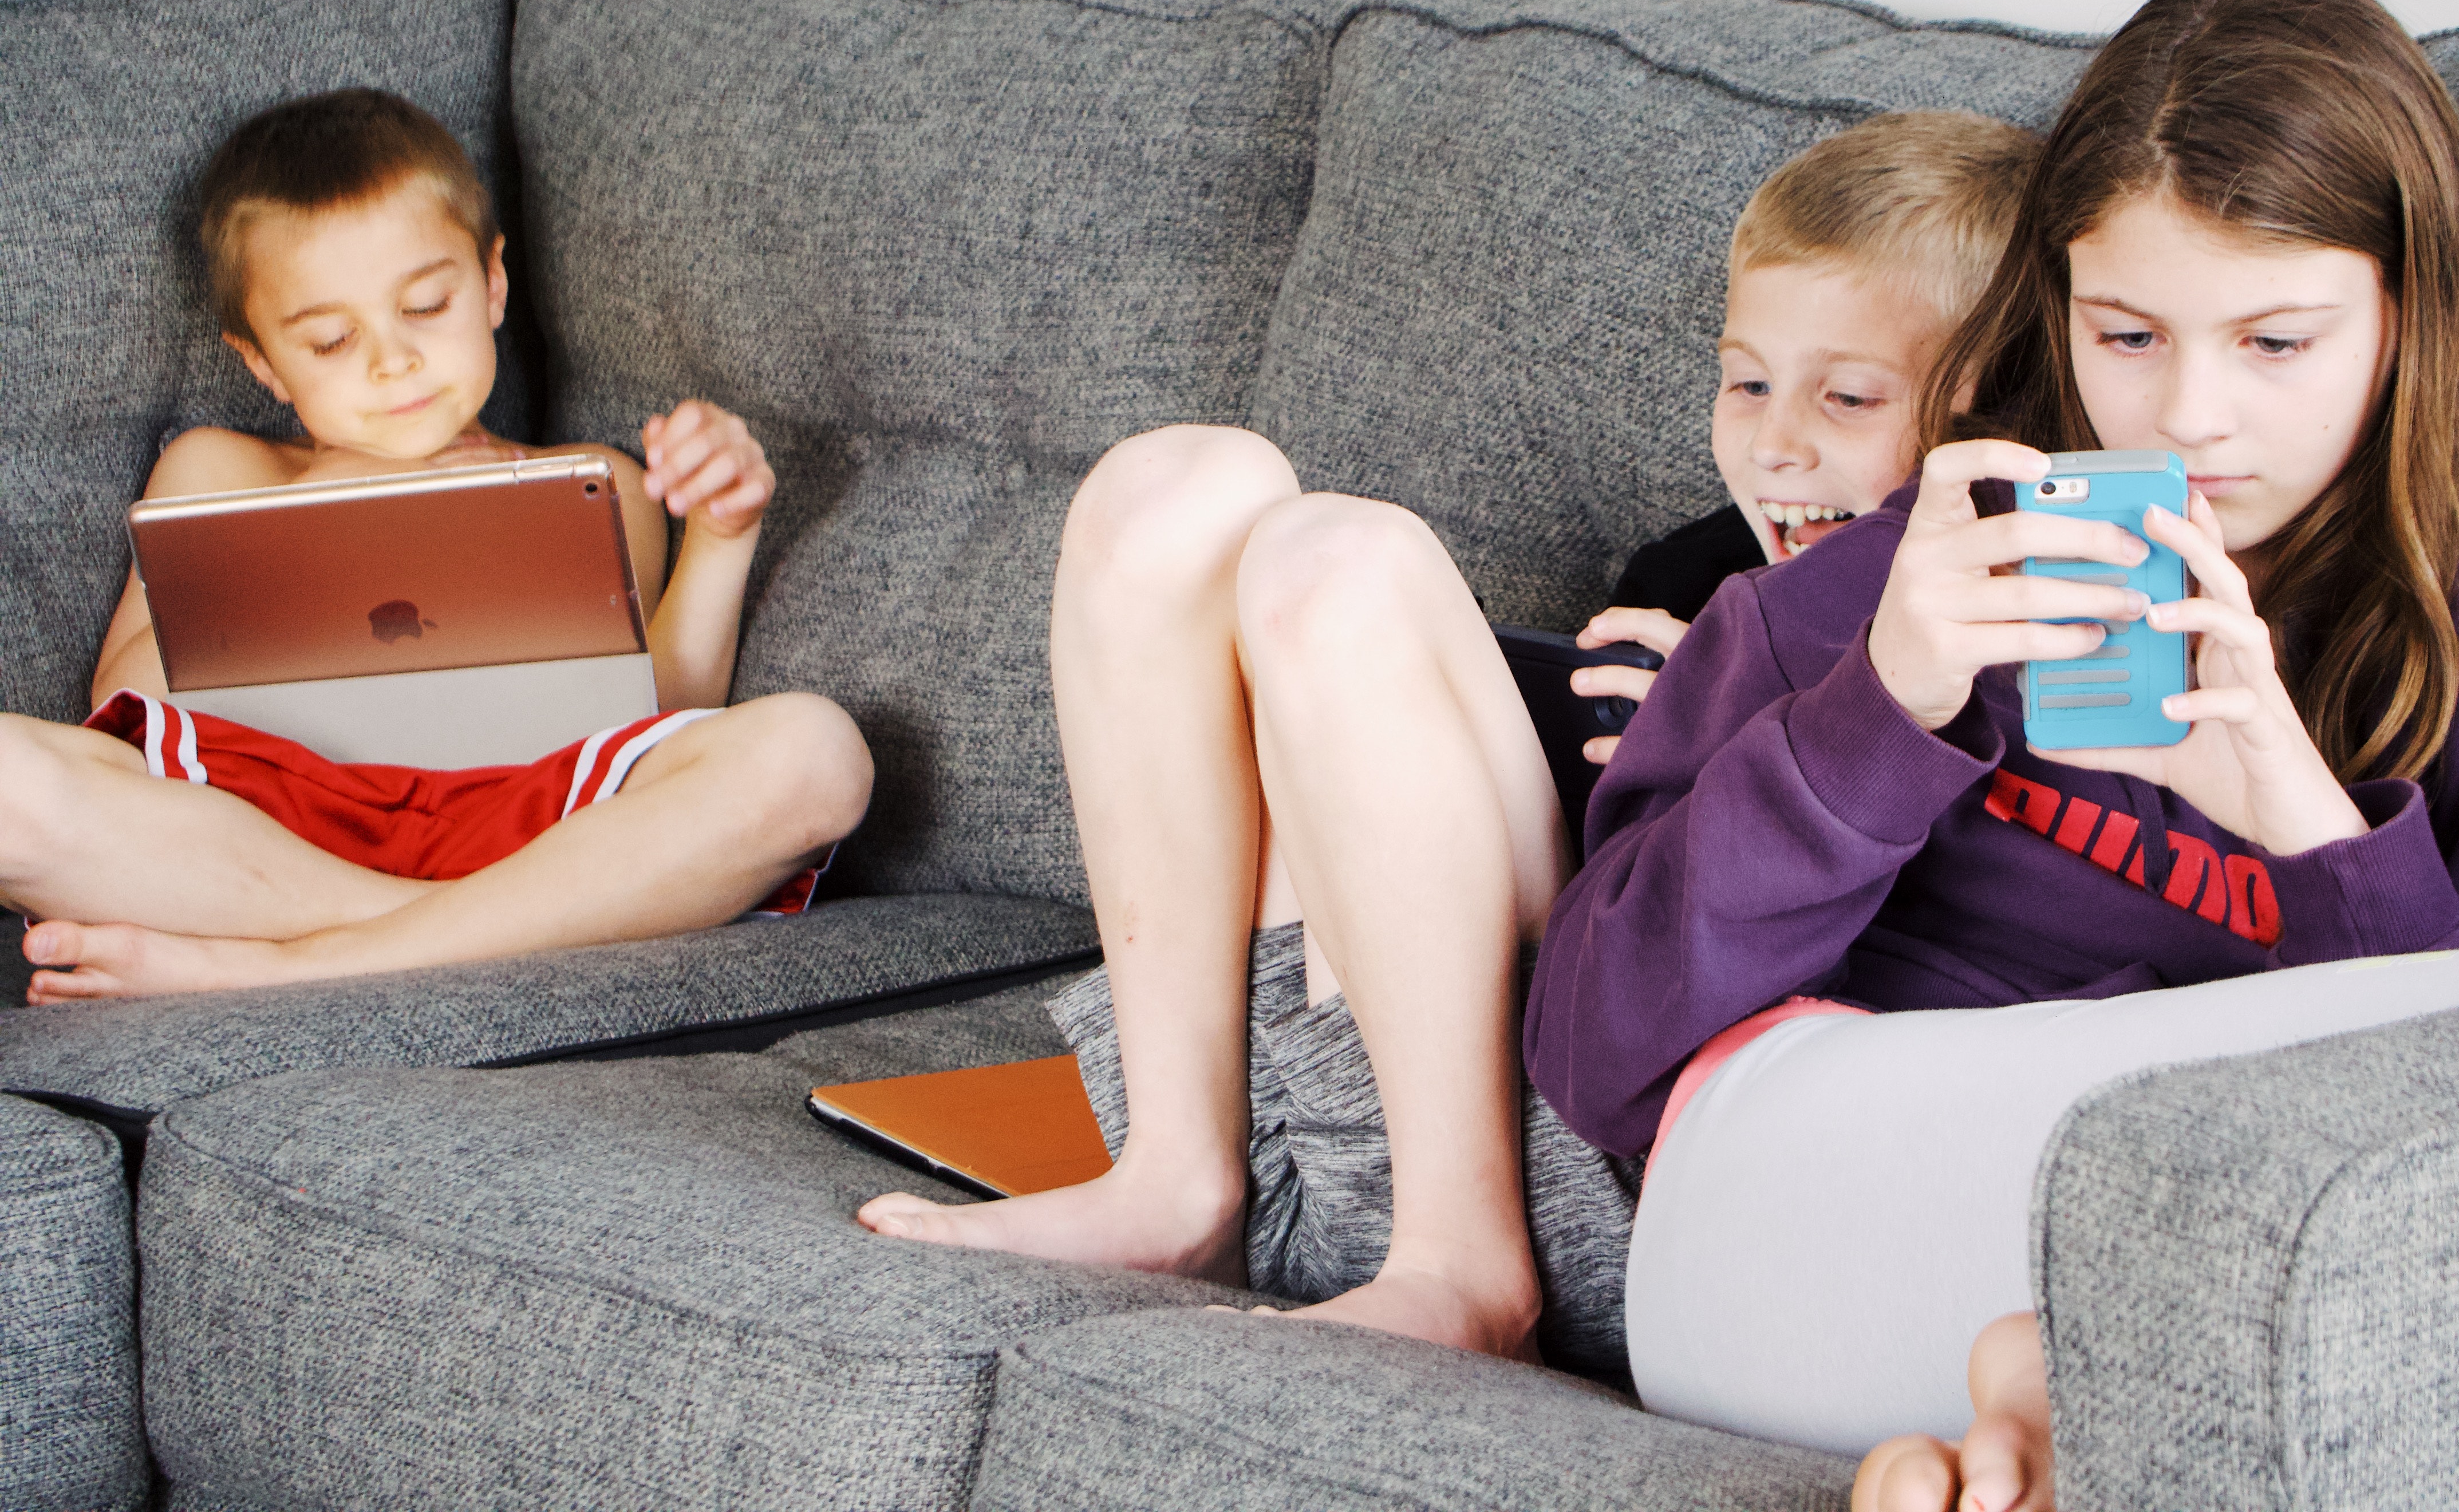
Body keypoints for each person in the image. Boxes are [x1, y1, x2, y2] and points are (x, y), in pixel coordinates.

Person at [1517, 0, 2459, 1509]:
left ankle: (2030, 1416)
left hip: (2254, 1281)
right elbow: (1591, 1047)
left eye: (2276, 343)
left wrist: (2314, 833)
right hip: (1798, 1225)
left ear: (2406, 316)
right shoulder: (1877, 588)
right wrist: (1878, 720)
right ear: (2057, 312)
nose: (2190, 419)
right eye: (2127, 336)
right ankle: (2052, 1374)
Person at [856, 111, 2040, 1369]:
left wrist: (1724, 755)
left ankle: (1465, 1271)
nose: (1774, 442)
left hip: (1584, 1160)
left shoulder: (2001, 638)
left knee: (1337, 563)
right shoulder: (1694, 576)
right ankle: (1173, 1184)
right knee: (1174, 486)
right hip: (1307, 1105)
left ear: (1983, 412)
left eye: (1847, 396)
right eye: (1744, 380)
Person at [13, 88, 873, 1002]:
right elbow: (127, 701)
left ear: (493, 284)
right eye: (333, 340)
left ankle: (300, 959)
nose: (392, 362)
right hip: (265, 829)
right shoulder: (219, 467)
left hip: (529, 817)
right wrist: (328, 503)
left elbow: (662, 707)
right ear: (264, 363)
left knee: (815, 753)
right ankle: (466, 926)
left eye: (425, 305)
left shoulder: (593, 484)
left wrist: (722, 532)